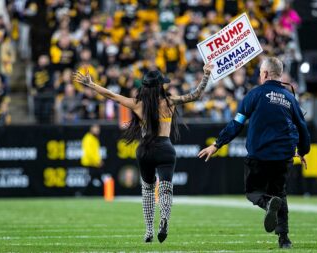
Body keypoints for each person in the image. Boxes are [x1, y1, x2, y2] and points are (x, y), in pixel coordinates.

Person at [74, 62, 214, 243]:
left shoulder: (137, 104)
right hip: (165, 148)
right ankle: (164, 219)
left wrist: (91, 84)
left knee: (147, 190)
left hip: (145, 149)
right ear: (159, 86)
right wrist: (206, 75)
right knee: (165, 190)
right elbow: (196, 95)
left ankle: (148, 231)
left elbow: (112, 96)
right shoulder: (170, 101)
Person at [198, 57, 310, 249]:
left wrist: (216, 145)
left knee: (252, 192)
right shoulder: (290, 98)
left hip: (259, 155)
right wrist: (303, 150)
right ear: (280, 74)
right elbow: (302, 127)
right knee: (280, 194)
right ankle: (284, 240)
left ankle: (267, 204)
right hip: (283, 156)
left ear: (264, 74)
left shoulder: (254, 95)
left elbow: (236, 124)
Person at [81, 124, 107, 193]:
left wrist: (98, 160)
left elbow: (95, 152)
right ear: (91, 129)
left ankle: (104, 193)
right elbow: (89, 153)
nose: (98, 130)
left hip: (94, 163)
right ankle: (82, 193)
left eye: (98, 129)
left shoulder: (94, 138)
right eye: (96, 128)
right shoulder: (88, 138)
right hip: (90, 163)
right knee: (91, 179)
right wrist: (97, 161)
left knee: (95, 178)